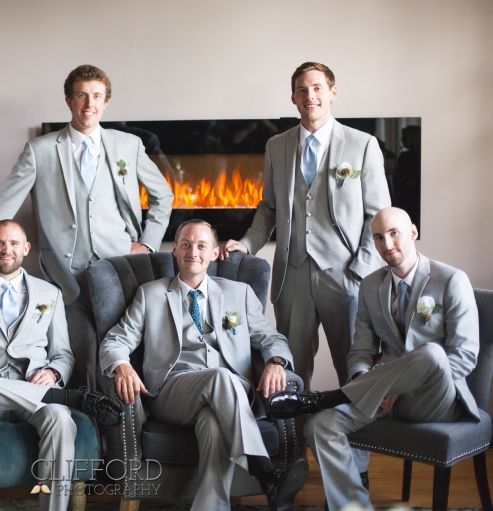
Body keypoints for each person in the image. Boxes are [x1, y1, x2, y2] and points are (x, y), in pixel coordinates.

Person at [0, 64, 173, 391]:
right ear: (68, 100)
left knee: (122, 355)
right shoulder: (40, 151)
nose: (89, 104)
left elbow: (163, 195)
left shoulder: (128, 145)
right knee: (80, 358)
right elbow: (1, 208)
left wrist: (148, 244)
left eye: (96, 96)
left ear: (106, 102)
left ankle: (122, 422)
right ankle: (83, 419)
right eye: (81, 95)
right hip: (66, 276)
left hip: (120, 270)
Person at [268, 207, 479, 511]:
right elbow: (361, 352)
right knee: (319, 425)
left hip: (434, 397)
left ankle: (330, 397)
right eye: (379, 237)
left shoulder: (451, 280)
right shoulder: (370, 286)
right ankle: (353, 505)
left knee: (433, 353)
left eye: (394, 233)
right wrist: (362, 378)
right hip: (379, 397)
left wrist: (397, 386)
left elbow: (465, 355)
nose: (387, 244)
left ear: (413, 232)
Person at [99, 219, 307, 511]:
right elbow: (115, 341)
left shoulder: (239, 293)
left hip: (231, 394)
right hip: (172, 393)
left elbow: (270, 337)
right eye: (186, 244)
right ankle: (264, 471)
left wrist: (276, 361)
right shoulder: (151, 294)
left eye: (201, 245)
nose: (192, 251)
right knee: (220, 377)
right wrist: (122, 366)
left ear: (214, 252)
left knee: (212, 424)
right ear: (175, 249)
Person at [220, 62, 391, 391]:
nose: (309, 96)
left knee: (355, 371)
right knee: (290, 374)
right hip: (292, 277)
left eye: (317, 88)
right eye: (302, 90)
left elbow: (379, 215)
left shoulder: (362, 144)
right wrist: (248, 243)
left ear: (333, 92)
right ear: (293, 98)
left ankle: (352, 429)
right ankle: (295, 429)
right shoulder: (277, 145)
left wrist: (361, 270)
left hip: (345, 275)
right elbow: (269, 207)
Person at [0, 220, 122, 511]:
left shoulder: (49, 293)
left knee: (61, 418)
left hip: (34, 391)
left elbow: (63, 354)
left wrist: (53, 372)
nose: (6, 249)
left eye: (13, 243)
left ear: (25, 248)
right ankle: (65, 397)